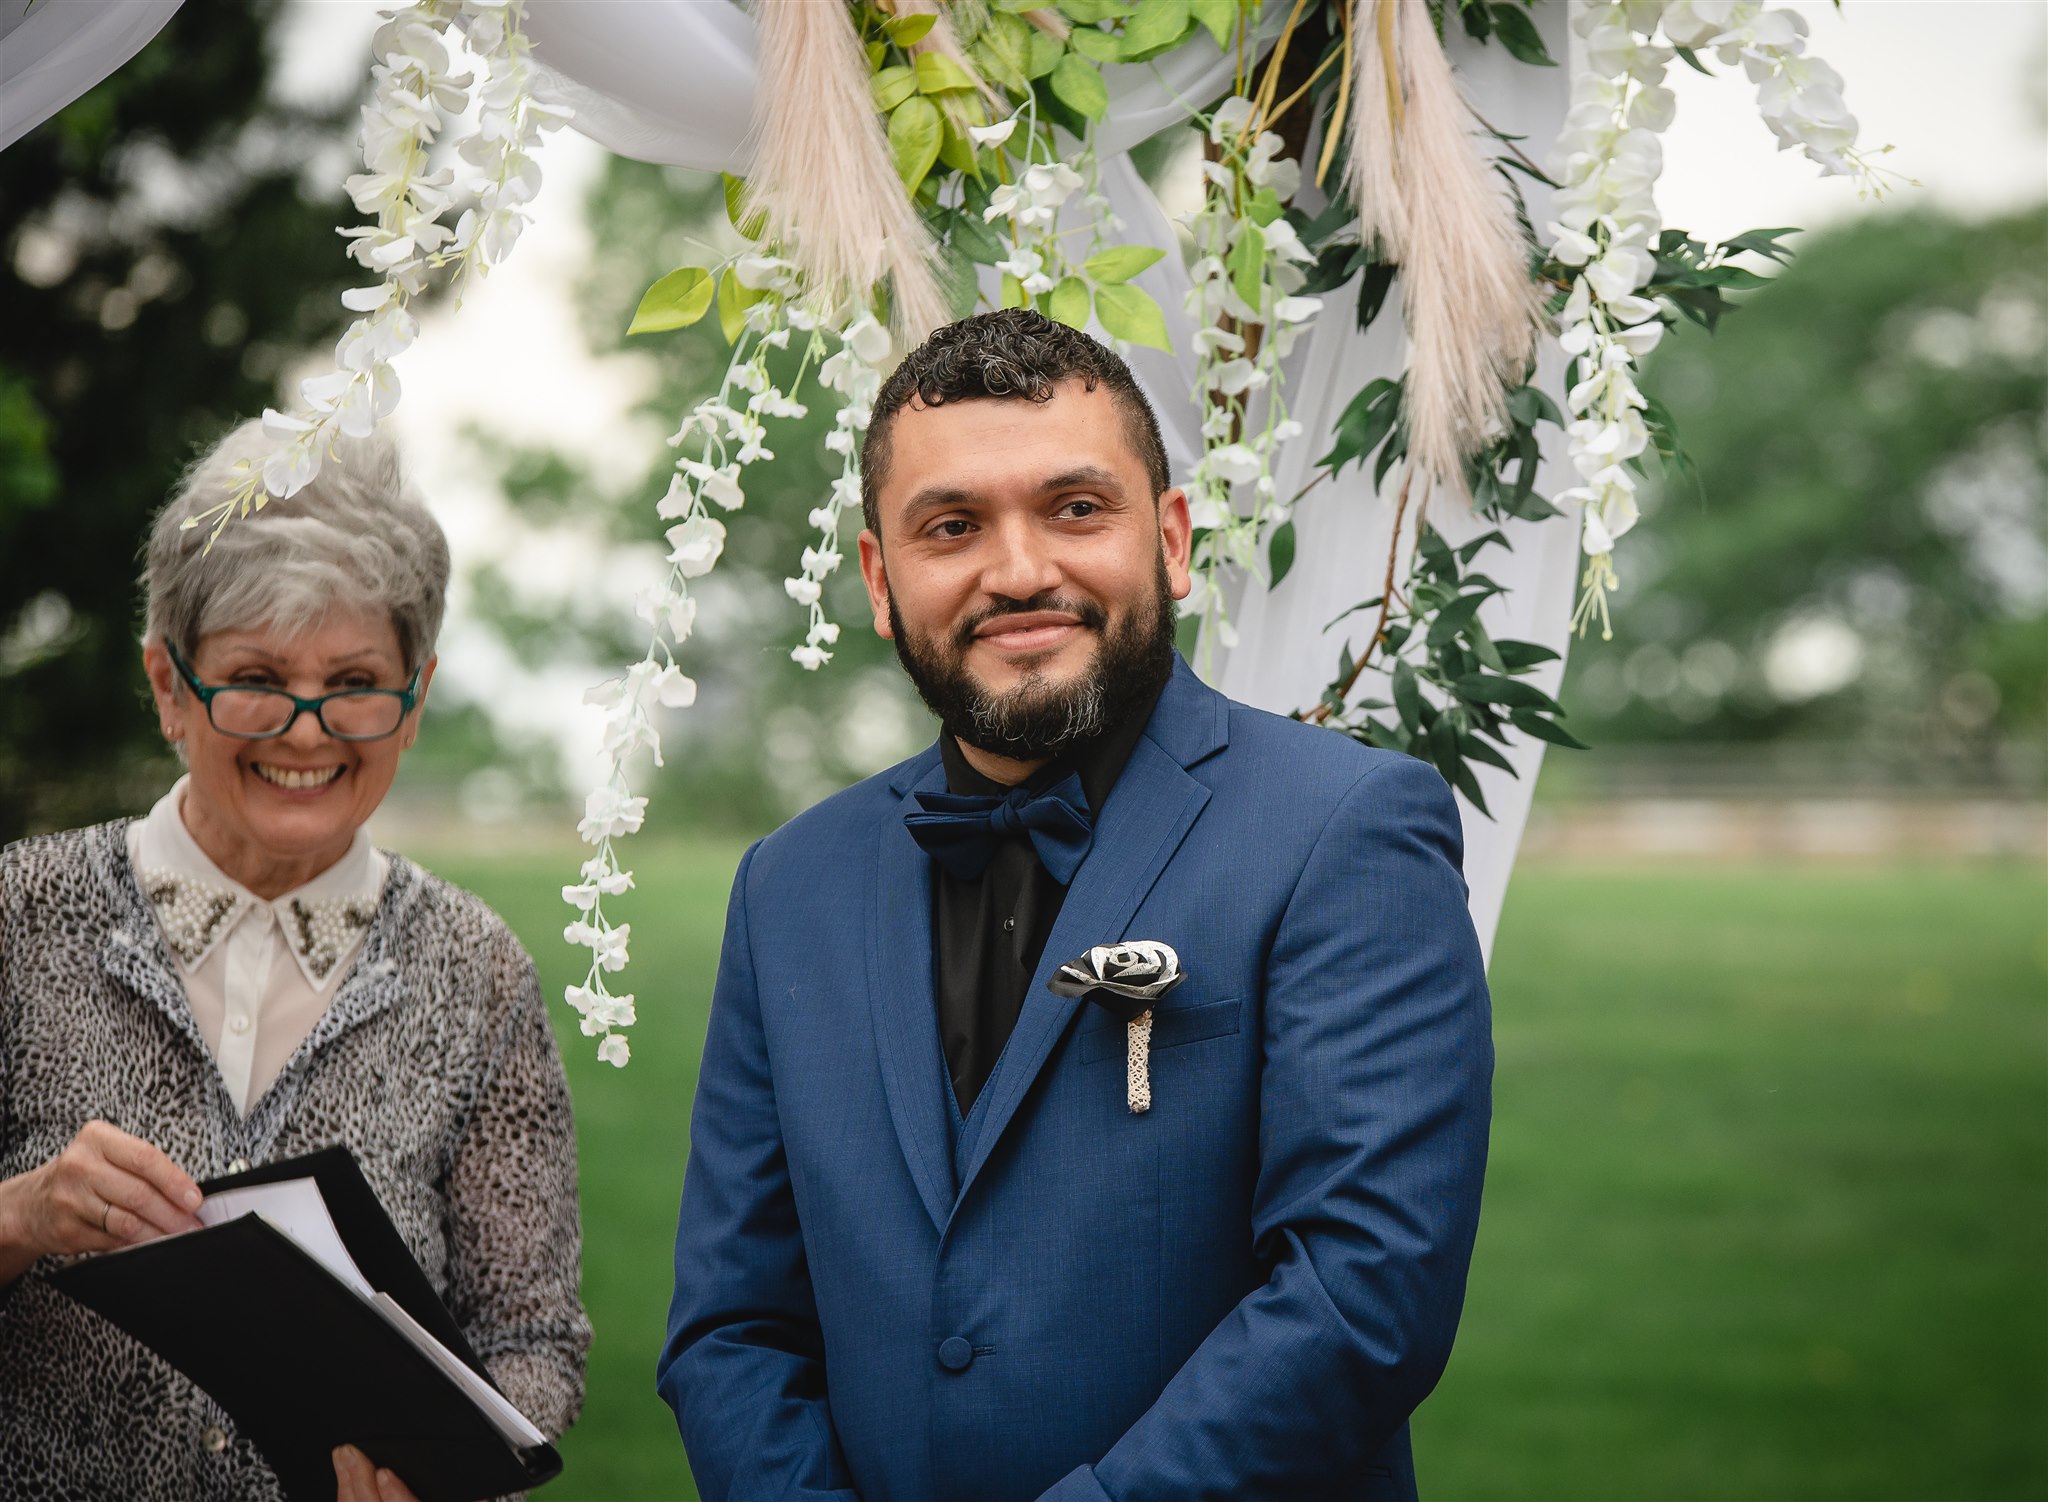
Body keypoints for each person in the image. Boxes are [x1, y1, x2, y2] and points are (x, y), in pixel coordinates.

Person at [658, 309, 1493, 1501]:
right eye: (951, 526)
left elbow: (1362, 1290)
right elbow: (733, 1326)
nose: (1017, 570)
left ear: (1169, 540)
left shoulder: (1344, 825)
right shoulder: (788, 880)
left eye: (1074, 508)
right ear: (879, 580)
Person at [0, 421, 589, 1502]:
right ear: (169, 686)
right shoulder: (18, 917)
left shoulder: (477, 970)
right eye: (256, 676)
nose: (307, 731)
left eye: (356, 679)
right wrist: (23, 1214)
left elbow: (535, 1337)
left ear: (414, 699)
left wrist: (450, 1477)